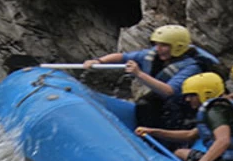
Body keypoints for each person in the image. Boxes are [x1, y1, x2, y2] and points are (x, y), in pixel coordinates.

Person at [84, 24, 220, 130]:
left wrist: (139, 74)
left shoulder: (191, 66)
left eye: (164, 45)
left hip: (186, 105)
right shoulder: (153, 55)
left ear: (178, 46)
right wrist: (99, 61)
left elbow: (168, 91)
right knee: (145, 104)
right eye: (157, 44)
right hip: (163, 101)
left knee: (150, 105)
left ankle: (161, 143)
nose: (158, 48)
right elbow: (122, 57)